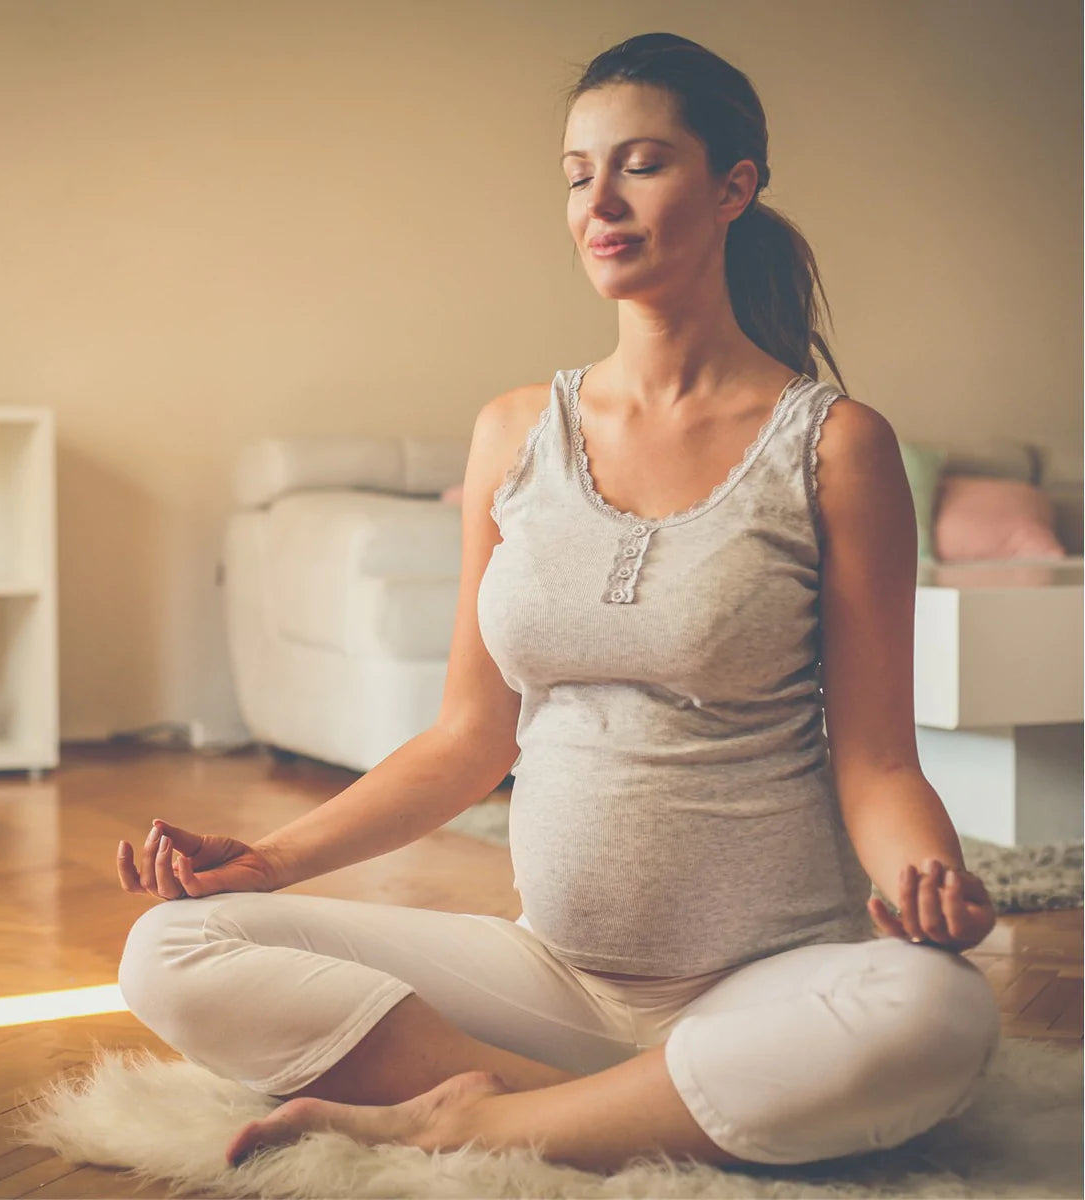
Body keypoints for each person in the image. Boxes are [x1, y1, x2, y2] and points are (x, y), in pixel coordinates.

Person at [115, 32, 1001, 1175]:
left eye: (642, 164)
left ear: (734, 187)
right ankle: (627, 1111)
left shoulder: (834, 446)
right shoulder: (514, 434)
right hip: (555, 980)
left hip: (772, 978)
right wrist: (270, 863)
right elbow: (467, 739)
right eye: (579, 173)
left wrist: (926, 885)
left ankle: (467, 1120)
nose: (601, 200)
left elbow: (878, 759)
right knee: (173, 947)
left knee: (937, 1017)